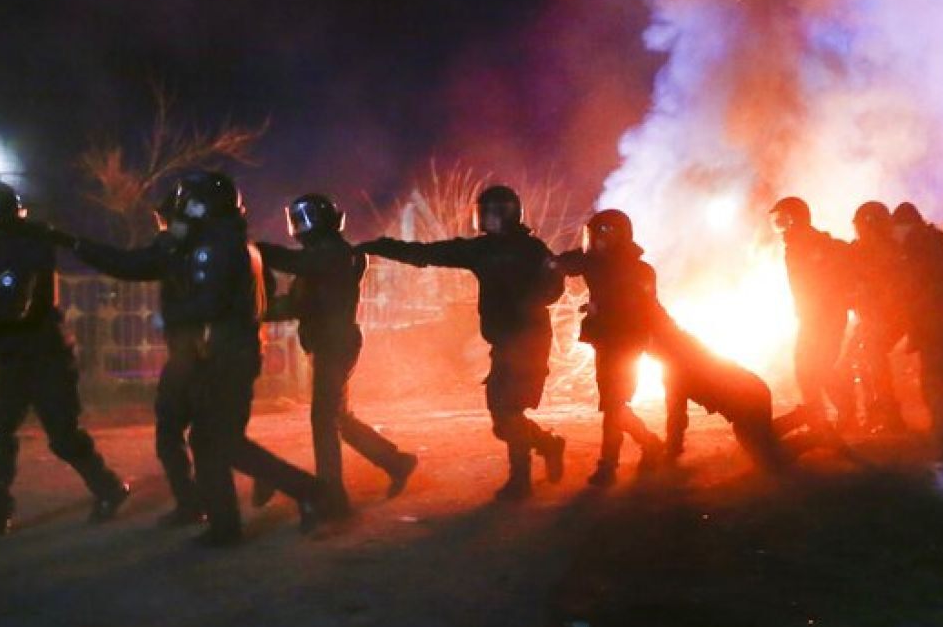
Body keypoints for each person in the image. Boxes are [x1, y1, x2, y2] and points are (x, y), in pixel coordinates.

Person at [57, 170, 322, 545]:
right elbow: (138, 266)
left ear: (200, 207)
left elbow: (210, 302)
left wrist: (173, 315)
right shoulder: (228, 242)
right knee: (211, 440)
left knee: (217, 440)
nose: (179, 216)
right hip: (225, 352)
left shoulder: (217, 247)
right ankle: (229, 523)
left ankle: (301, 494)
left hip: (227, 354)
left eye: (187, 205)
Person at [0, 180, 130, 535]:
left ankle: (109, 488)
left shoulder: (17, 246)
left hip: (41, 358)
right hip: (22, 356)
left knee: (63, 436)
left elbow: (12, 309)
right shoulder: (13, 242)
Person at [360, 184, 566, 502]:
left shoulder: (532, 250)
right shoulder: (483, 250)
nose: (482, 220)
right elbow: (431, 254)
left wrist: (529, 301)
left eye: (488, 214)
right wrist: (384, 247)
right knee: (502, 420)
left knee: (509, 413)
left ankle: (520, 481)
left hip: (530, 341)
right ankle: (549, 445)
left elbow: (555, 287)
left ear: (505, 215)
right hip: (504, 343)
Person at [257, 192, 417, 517]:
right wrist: (257, 310)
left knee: (323, 418)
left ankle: (332, 498)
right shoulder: (321, 256)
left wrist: (253, 250)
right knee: (339, 418)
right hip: (327, 343)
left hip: (336, 344)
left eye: (302, 220)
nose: (298, 227)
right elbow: (297, 304)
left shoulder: (332, 254)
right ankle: (396, 462)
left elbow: (294, 265)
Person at [554, 209, 665, 486]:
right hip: (606, 341)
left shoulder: (640, 270)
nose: (594, 242)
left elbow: (642, 309)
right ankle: (649, 443)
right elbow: (566, 263)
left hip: (628, 343)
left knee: (614, 404)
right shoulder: (596, 262)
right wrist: (543, 261)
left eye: (599, 235)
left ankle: (609, 465)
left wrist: (600, 307)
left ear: (615, 236)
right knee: (613, 404)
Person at [652, 307, 785, 473]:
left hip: (749, 402)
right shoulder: (685, 347)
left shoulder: (675, 370)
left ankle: (814, 438)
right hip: (755, 391)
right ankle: (805, 417)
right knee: (762, 439)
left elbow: (676, 417)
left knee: (767, 460)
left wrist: (671, 456)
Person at [769, 196, 855, 435]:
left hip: (825, 318)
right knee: (808, 366)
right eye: (777, 222)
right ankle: (820, 417)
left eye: (783, 221)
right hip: (814, 318)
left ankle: (837, 415)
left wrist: (818, 310)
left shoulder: (812, 245)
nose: (780, 227)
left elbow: (824, 284)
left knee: (817, 367)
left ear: (796, 219)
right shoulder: (798, 246)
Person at [890, 202, 943, 458]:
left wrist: (910, 326)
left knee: (933, 384)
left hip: (934, 328)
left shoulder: (917, 247)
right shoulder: (935, 244)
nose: (893, 235)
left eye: (895, 229)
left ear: (905, 226)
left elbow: (916, 292)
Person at [846, 201, 906, 435]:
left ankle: (888, 418)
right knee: (861, 361)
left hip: (882, 319)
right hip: (874, 319)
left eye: (861, 227)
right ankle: (877, 416)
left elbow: (877, 289)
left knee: (873, 362)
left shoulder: (881, 252)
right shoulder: (884, 249)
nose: (858, 233)